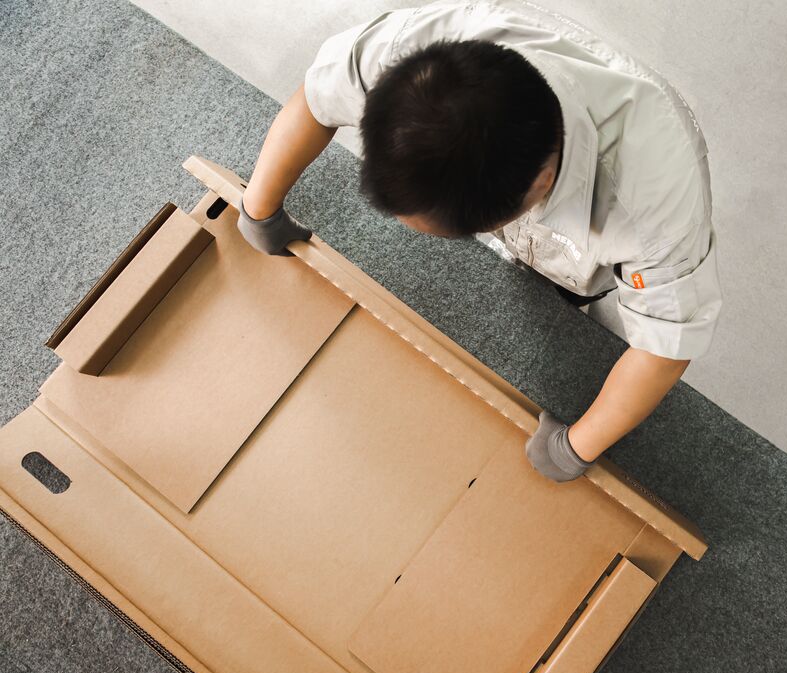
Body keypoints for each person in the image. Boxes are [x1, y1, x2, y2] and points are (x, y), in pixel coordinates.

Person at [237, 0, 723, 483]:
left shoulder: (654, 208)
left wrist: (576, 447)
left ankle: (566, 290)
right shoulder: (415, 59)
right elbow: (317, 101)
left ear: (538, 188)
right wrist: (259, 207)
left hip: (608, 198)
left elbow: (665, 345)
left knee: (573, 288)